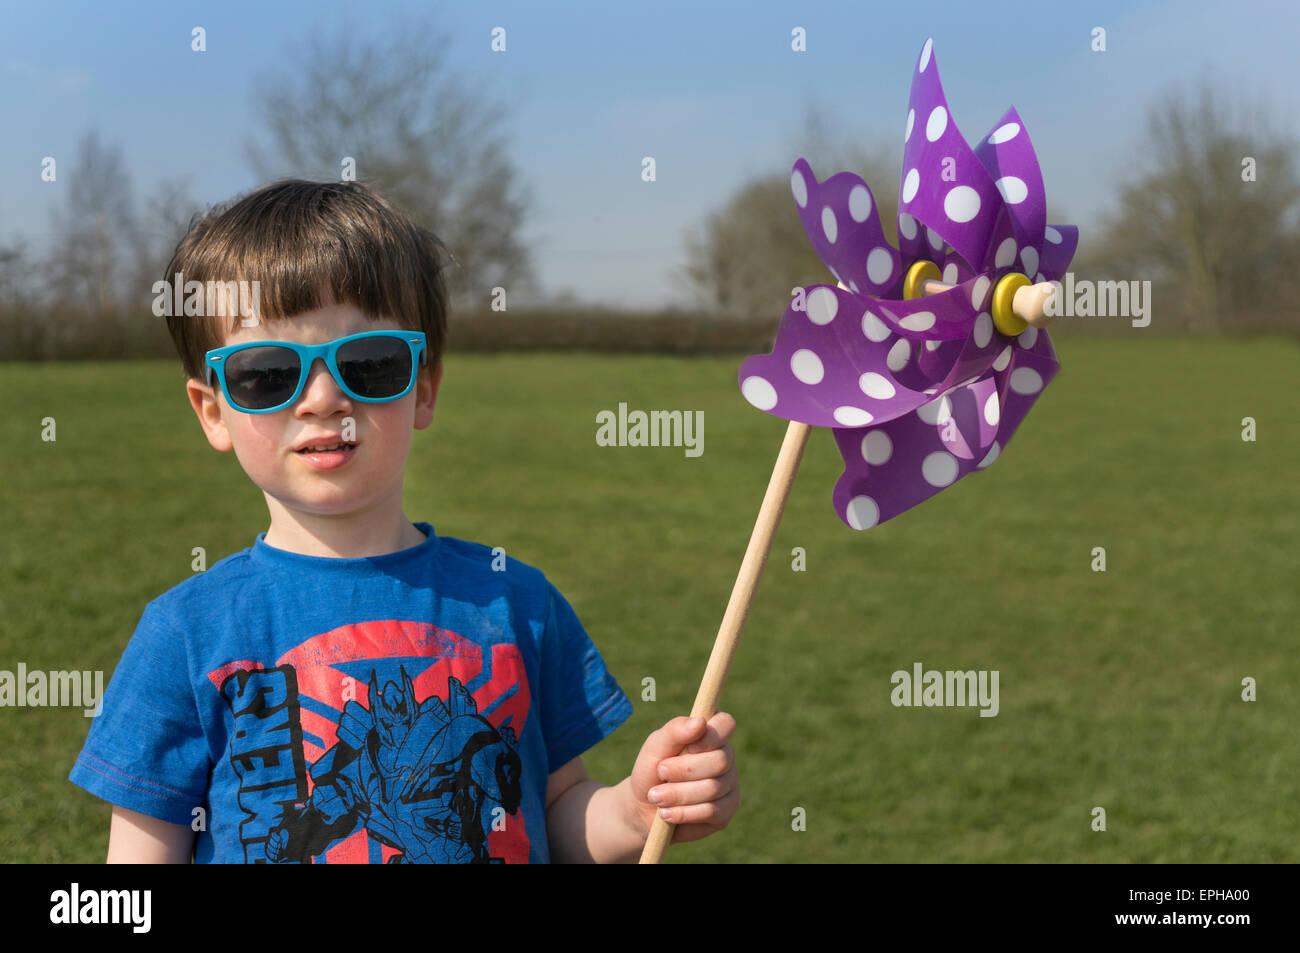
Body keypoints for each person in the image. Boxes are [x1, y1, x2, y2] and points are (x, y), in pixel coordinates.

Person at [69, 180, 738, 863]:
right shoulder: (185, 633)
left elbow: (555, 811)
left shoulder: (518, 603)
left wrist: (637, 807)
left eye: (369, 363)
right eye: (268, 374)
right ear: (212, 410)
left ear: (422, 386)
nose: (324, 397)